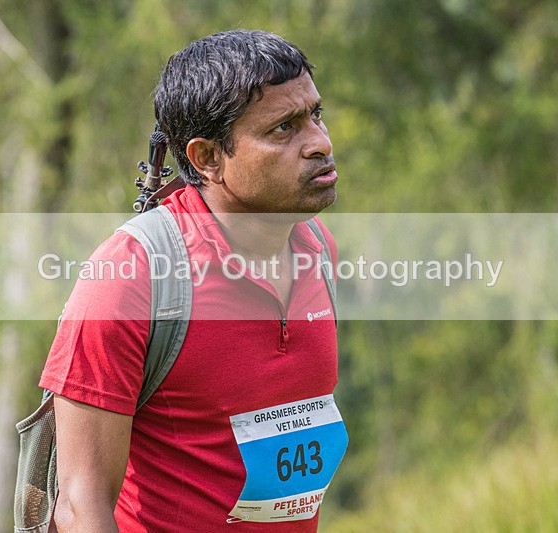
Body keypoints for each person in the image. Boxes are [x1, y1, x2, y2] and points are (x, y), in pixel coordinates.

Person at [39, 29, 348, 532]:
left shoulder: (318, 246)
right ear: (207, 158)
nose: (319, 143)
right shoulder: (131, 280)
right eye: (283, 129)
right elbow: (80, 506)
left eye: (315, 114)